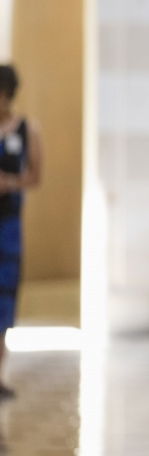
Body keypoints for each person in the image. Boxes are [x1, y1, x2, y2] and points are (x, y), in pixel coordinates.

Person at [0, 65, 41, 399]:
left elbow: (34, 176)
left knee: (3, 301)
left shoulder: (28, 129)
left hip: (9, 226)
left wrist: (9, 182)